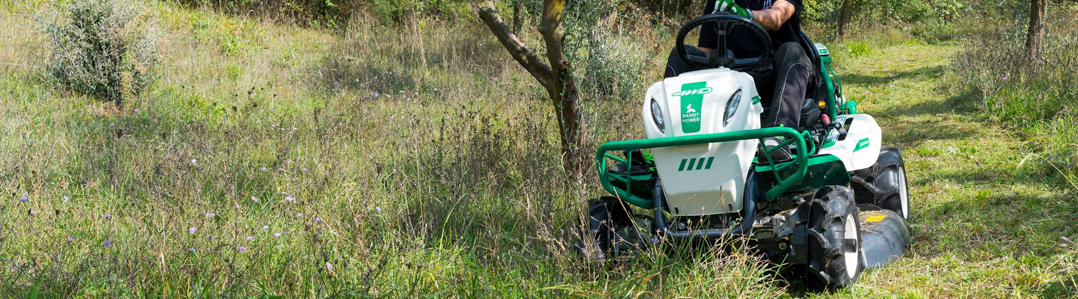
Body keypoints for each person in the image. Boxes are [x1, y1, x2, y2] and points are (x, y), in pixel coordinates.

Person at [665, 0, 816, 161]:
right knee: (682, 53)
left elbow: (776, 17)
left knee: (792, 50)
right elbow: (705, 51)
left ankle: (779, 136)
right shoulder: (720, 2)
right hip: (729, 79)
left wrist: (746, 14)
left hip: (773, 78)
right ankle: (669, 135)